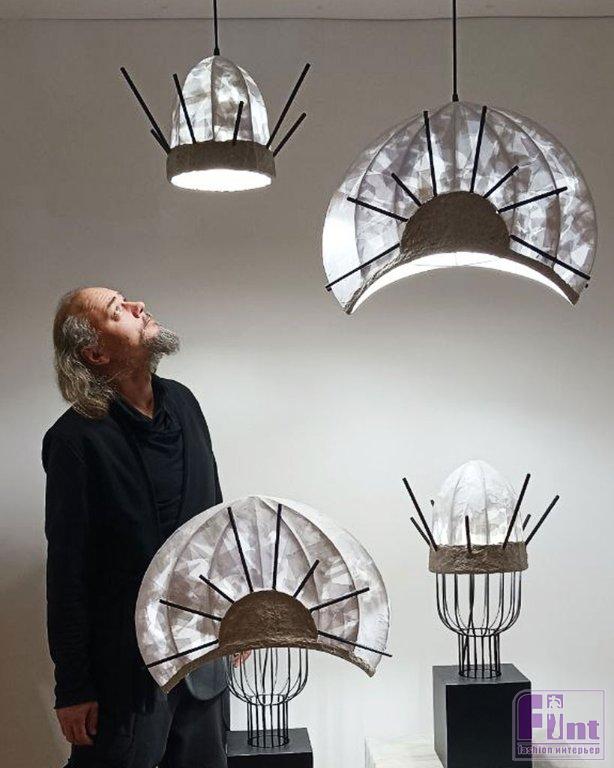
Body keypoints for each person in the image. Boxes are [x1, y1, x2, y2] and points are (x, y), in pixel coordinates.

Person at [43, 286, 228, 768]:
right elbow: (66, 572)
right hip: (125, 674)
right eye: (117, 310)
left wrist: (233, 609)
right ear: (96, 353)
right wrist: (73, 686)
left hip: (202, 655)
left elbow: (213, 519)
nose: (137, 306)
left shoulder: (184, 402)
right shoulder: (74, 440)